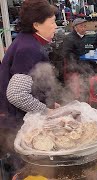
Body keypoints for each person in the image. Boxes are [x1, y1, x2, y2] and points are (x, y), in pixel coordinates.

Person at [0, 0, 58, 177]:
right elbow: (16, 94)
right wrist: (45, 110)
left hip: (12, 118)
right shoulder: (29, 49)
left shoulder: (27, 41)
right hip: (14, 122)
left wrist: (48, 101)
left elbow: (30, 83)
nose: (56, 27)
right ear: (36, 25)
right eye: (53, 22)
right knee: (23, 170)